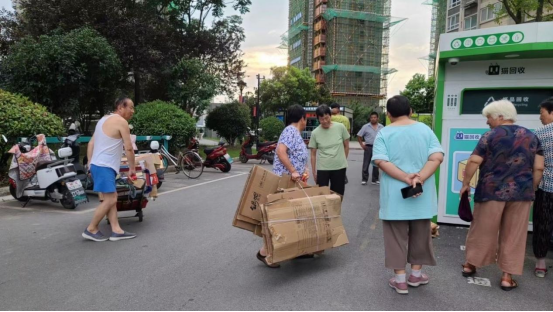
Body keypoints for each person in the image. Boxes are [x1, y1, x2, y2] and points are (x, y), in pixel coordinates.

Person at [460, 99, 544, 291]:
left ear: (500, 116)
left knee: (482, 229)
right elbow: (539, 167)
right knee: (514, 234)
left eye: (489, 117)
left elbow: (473, 161)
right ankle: (507, 277)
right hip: (521, 193)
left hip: (491, 191)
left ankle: (470, 265)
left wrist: (465, 184)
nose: (487, 122)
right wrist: (530, 188)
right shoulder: (531, 136)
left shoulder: (490, 136)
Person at [372, 95, 444, 295]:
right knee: (421, 234)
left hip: (394, 197)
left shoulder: (384, 133)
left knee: (396, 237)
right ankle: (416, 275)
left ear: (388, 114)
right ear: (411, 111)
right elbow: (437, 157)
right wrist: (418, 178)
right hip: (421, 194)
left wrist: (405, 177)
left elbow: (380, 161)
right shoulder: (425, 130)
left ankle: (400, 279)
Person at [257, 104, 309, 268]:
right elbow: (280, 151)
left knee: (292, 216)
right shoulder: (290, 131)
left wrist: (303, 169)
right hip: (285, 182)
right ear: (302, 118)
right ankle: (264, 252)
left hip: (293, 182)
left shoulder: (295, 133)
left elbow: (295, 155)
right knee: (280, 218)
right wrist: (294, 170)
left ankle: (294, 249)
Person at [82, 97, 138, 242]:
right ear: (120, 107)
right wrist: (132, 168)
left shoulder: (103, 120)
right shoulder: (121, 122)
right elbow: (129, 148)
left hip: (98, 165)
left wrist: (90, 162)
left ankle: (116, 230)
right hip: (105, 166)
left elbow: (91, 143)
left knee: (109, 198)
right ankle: (91, 228)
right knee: (112, 198)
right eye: (130, 107)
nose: (133, 111)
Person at [532, 97, 553, 278]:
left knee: (543, 223)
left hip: (546, 185)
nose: (540, 117)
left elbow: (536, 164)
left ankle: (540, 264)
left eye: (542, 113)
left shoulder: (540, 133)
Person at [309, 104, 349, 197]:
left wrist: (343, 160)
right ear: (318, 119)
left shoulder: (340, 127)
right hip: (323, 169)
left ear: (330, 116)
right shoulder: (315, 133)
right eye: (322, 119)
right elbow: (313, 154)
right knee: (322, 196)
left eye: (327, 118)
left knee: (338, 195)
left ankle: (336, 212)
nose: (325, 121)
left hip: (339, 167)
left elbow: (346, 145)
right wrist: (314, 172)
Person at [358, 112, 384, 185]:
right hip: (368, 147)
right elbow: (359, 136)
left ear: (377, 118)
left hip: (378, 148)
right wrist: (362, 145)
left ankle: (375, 179)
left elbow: (385, 137)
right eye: (371, 117)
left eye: (374, 117)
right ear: (370, 118)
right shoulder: (365, 127)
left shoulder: (381, 127)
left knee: (376, 164)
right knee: (366, 163)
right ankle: (364, 179)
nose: (373, 119)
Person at [330, 102, 351, 184]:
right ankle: (343, 175)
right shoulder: (346, 119)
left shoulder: (330, 118)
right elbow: (348, 132)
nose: (332, 109)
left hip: (333, 143)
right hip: (343, 143)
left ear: (337, 109)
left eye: (333, 107)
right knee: (342, 161)